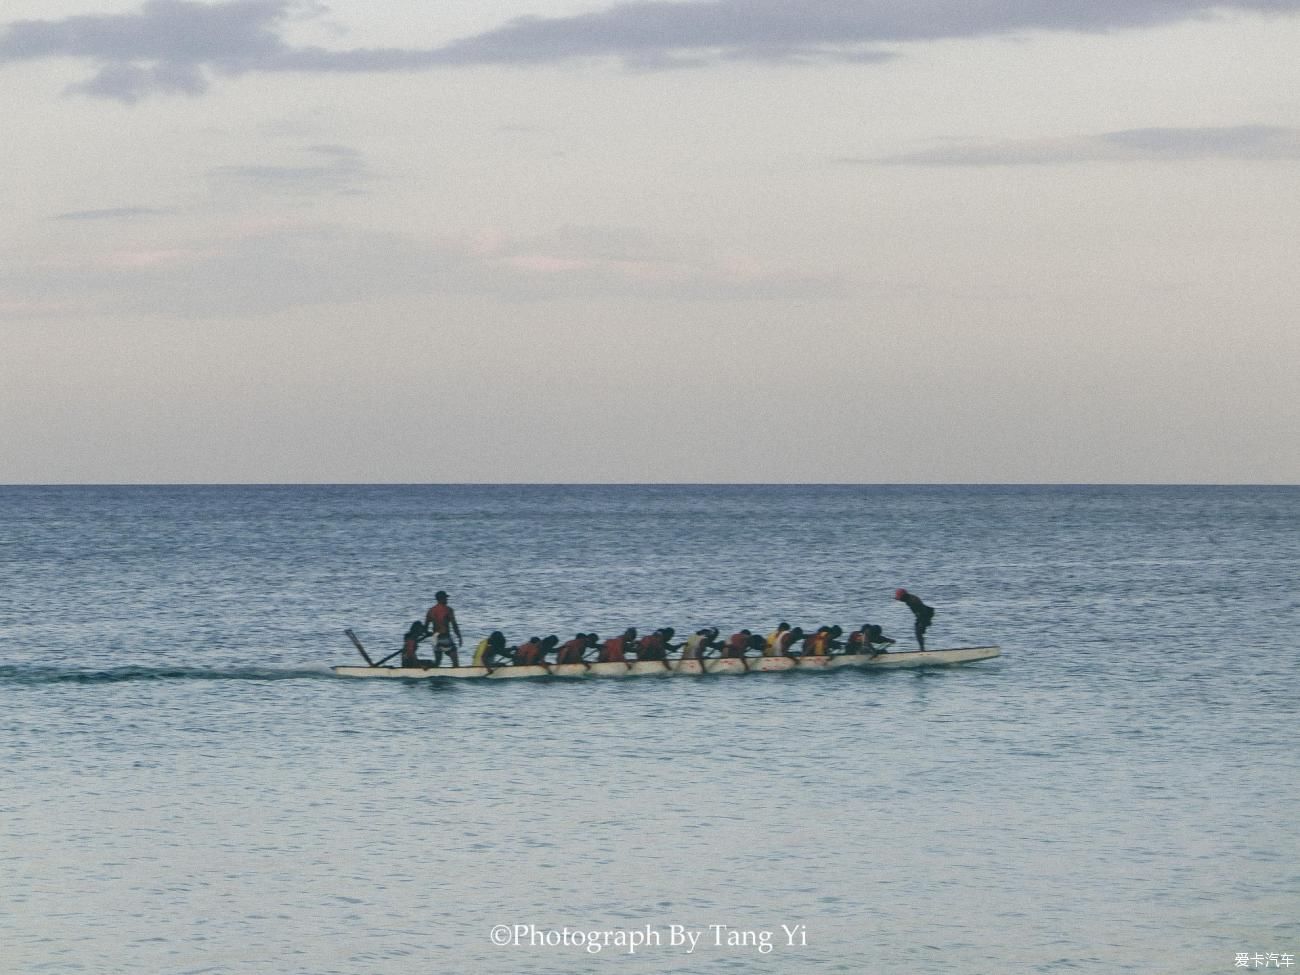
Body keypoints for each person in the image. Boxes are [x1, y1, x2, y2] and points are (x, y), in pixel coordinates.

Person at [425, 590, 463, 667]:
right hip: (445, 638)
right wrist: (459, 636)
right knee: (455, 662)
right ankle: (457, 674)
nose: (447, 600)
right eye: (446, 598)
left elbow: (425, 628)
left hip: (434, 639)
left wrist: (430, 633)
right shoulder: (448, 610)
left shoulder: (430, 611)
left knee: (437, 662)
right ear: (442, 599)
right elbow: (454, 625)